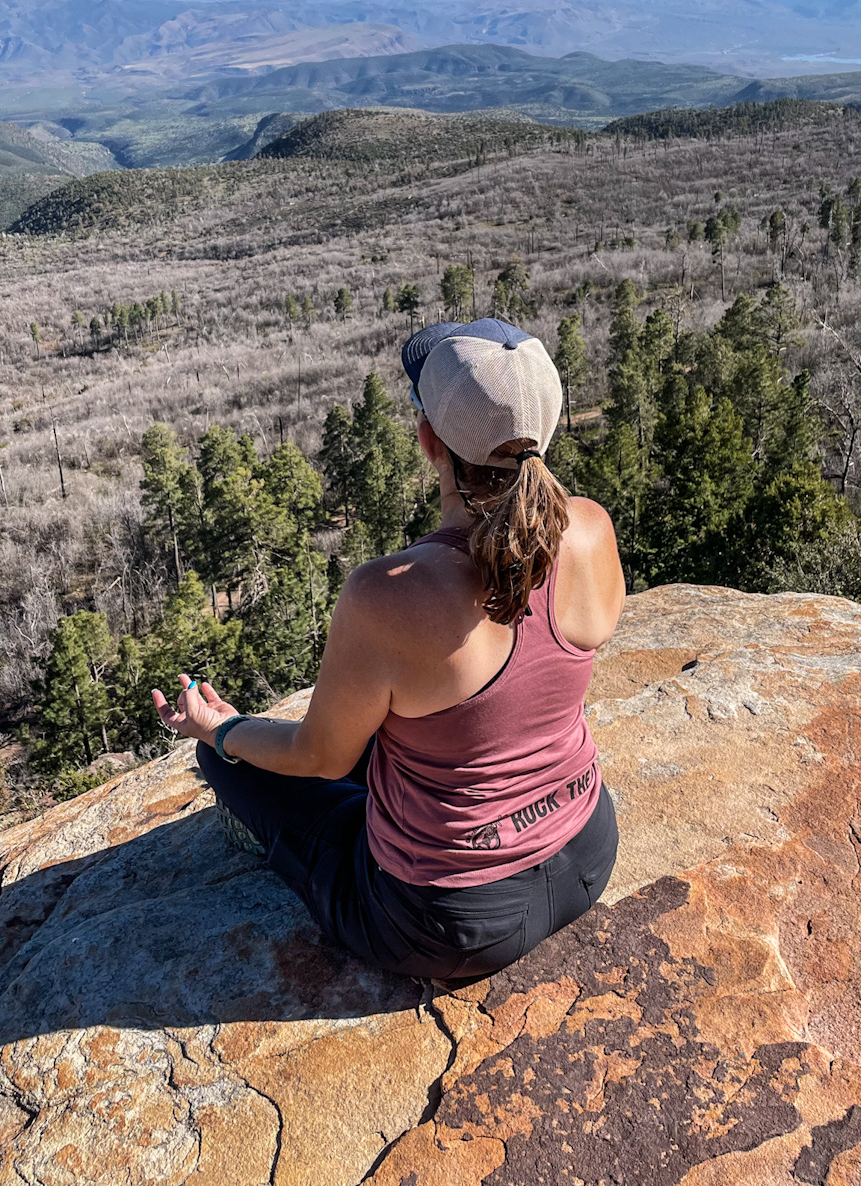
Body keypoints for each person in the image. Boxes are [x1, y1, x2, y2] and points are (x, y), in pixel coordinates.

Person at [152, 318, 626, 980]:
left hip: (447, 922)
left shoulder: (389, 594)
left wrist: (224, 728)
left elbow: (320, 756)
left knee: (231, 763)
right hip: (587, 851)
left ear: (428, 439)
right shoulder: (592, 529)